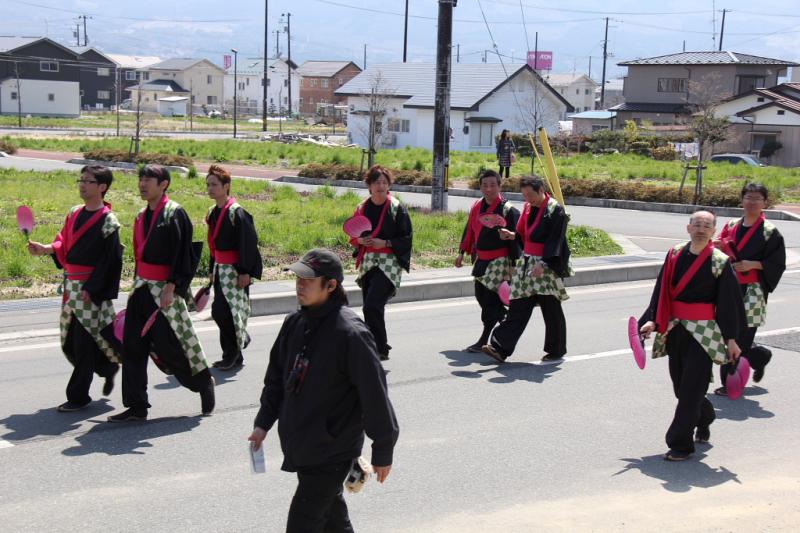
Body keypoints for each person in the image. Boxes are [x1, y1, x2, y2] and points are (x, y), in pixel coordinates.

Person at [248, 249, 399, 533]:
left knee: (303, 523)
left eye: (308, 279)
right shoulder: (296, 323)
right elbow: (276, 379)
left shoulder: (351, 334)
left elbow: (374, 394)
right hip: (303, 443)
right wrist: (263, 423)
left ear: (331, 285)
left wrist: (383, 448)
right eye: (298, 278)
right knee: (333, 520)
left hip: (332, 449)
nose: (300, 285)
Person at [108, 164, 214, 422]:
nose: (143, 183)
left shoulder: (174, 213)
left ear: (163, 184)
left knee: (173, 347)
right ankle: (136, 406)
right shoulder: (139, 216)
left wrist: (172, 287)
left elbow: (184, 256)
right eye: (141, 178)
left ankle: (202, 383)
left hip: (164, 291)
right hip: (142, 289)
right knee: (132, 347)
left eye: (149, 179)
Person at [639, 210, 744, 461]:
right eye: (696, 224)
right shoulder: (674, 254)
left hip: (704, 331)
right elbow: (661, 290)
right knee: (681, 387)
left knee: (690, 391)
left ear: (713, 231)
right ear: (688, 228)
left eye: (706, 226)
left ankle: (680, 445)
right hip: (675, 327)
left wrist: (731, 339)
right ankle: (705, 416)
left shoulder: (720, 261)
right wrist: (652, 319)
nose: (701, 229)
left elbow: (730, 303)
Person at [27, 165, 123, 412]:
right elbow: (64, 242)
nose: (82, 184)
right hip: (71, 287)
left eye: (89, 181)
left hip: (90, 290)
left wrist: (94, 288)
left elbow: (111, 261)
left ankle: (78, 396)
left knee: (82, 343)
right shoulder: (74, 212)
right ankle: (108, 367)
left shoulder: (109, 221)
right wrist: (46, 248)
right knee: (70, 341)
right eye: (81, 180)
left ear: (102, 187)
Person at [482, 176, 571, 363]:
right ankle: (500, 348)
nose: (527, 199)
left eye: (530, 194)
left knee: (551, 309)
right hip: (527, 264)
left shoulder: (556, 210)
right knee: (518, 305)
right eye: (524, 195)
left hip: (545, 266)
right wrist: (511, 235)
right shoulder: (528, 208)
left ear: (541, 190)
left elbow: (556, 241)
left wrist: (544, 263)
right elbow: (523, 235)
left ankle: (556, 349)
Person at [714, 183, 786, 396]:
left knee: (742, 336)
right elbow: (720, 250)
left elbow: (777, 263)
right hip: (728, 286)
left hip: (753, 289)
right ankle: (759, 356)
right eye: (748, 197)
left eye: (757, 198)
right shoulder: (732, 225)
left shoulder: (769, 232)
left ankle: (730, 382)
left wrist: (753, 264)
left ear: (765, 202)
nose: (752, 202)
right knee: (726, 331)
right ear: (741, 200)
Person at [349, 165, 413, 361]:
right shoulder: (362, 207)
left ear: (389, 186)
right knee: (371, 306)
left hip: (389, 262)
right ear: (369, 185)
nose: (381, 186)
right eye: (377, 182)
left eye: (384, 182)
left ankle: (380, 347)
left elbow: (407, 237)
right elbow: (353, 235)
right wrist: (360, 241)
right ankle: (376, 344)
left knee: (372, 305)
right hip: (368, 262)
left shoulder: (396, 208)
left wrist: (385, 242)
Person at [205, 164, 262, 371]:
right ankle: (232, 354)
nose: (210, 188)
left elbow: (248, 243)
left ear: (226, 186)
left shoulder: (236, 212)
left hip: (235, 270)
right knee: (226, 312)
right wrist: (212, 270)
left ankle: (236, 347)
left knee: (223, 312)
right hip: (221, 269)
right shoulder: (213, 212)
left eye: (214, 184)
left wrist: (245, 271)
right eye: (208, 184)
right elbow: (213, 245)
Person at [455, 169, 520, 352]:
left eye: (493, 185)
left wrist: (516, 264)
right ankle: (506, 322)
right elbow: (470, 230)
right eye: (485, 185)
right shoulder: (477, 206)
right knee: (482, 296)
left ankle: (486, 339)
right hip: (481, 260)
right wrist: (462, 252)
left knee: (489, 299)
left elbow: (519, 237)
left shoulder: (508, 210)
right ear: (480, 187)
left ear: (500, 186)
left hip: (499, 261)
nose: (489, 189)